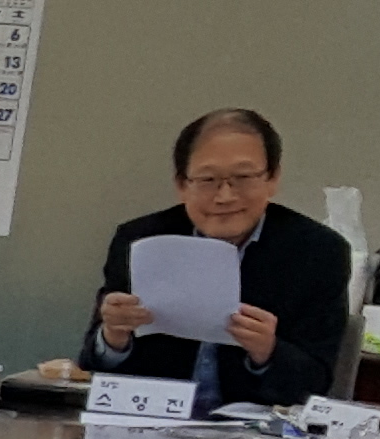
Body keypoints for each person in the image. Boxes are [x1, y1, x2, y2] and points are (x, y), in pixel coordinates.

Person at [87, 109, 354, 410]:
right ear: (182, 185)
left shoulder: (318, 252)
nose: (225, 196)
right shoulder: (139, 240)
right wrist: (113, 337)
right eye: (207, 179)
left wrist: (268, 351)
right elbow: (93, 366)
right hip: (148, 422)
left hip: (256, 430)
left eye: (243, 178)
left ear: (272, 179)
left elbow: (317, 382)